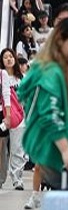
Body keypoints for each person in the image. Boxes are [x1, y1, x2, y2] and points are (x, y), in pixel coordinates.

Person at [18, 17, 68, 210]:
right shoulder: (50, 71)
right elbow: (49, 113)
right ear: (59, 40)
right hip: (57, 140)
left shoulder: (63, 67)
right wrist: (66, 149)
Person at [0, 49, 23, 190]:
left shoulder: (22, 78)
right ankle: (1, 178)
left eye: (11, 56)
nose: (8, 59)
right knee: (2, 149)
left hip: (18, 117)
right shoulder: (2, 76)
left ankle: (17, 179)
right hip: (3, 114)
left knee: (17, 148)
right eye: (5, 57)